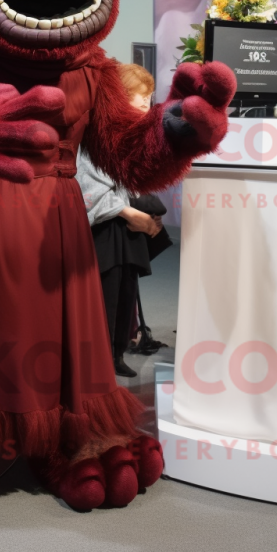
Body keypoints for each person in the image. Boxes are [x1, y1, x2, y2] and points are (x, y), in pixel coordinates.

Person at [77, 63, 163, 378]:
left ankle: (115, 354)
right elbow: (89, 188)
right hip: (106, 228)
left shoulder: (131, 135)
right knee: (106, 295)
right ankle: (99, 359)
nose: (145, 103)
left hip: (124, 226)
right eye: (138, 96)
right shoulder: (98, 134)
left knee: (126, 291)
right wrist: (130, 213)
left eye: (149, 96)